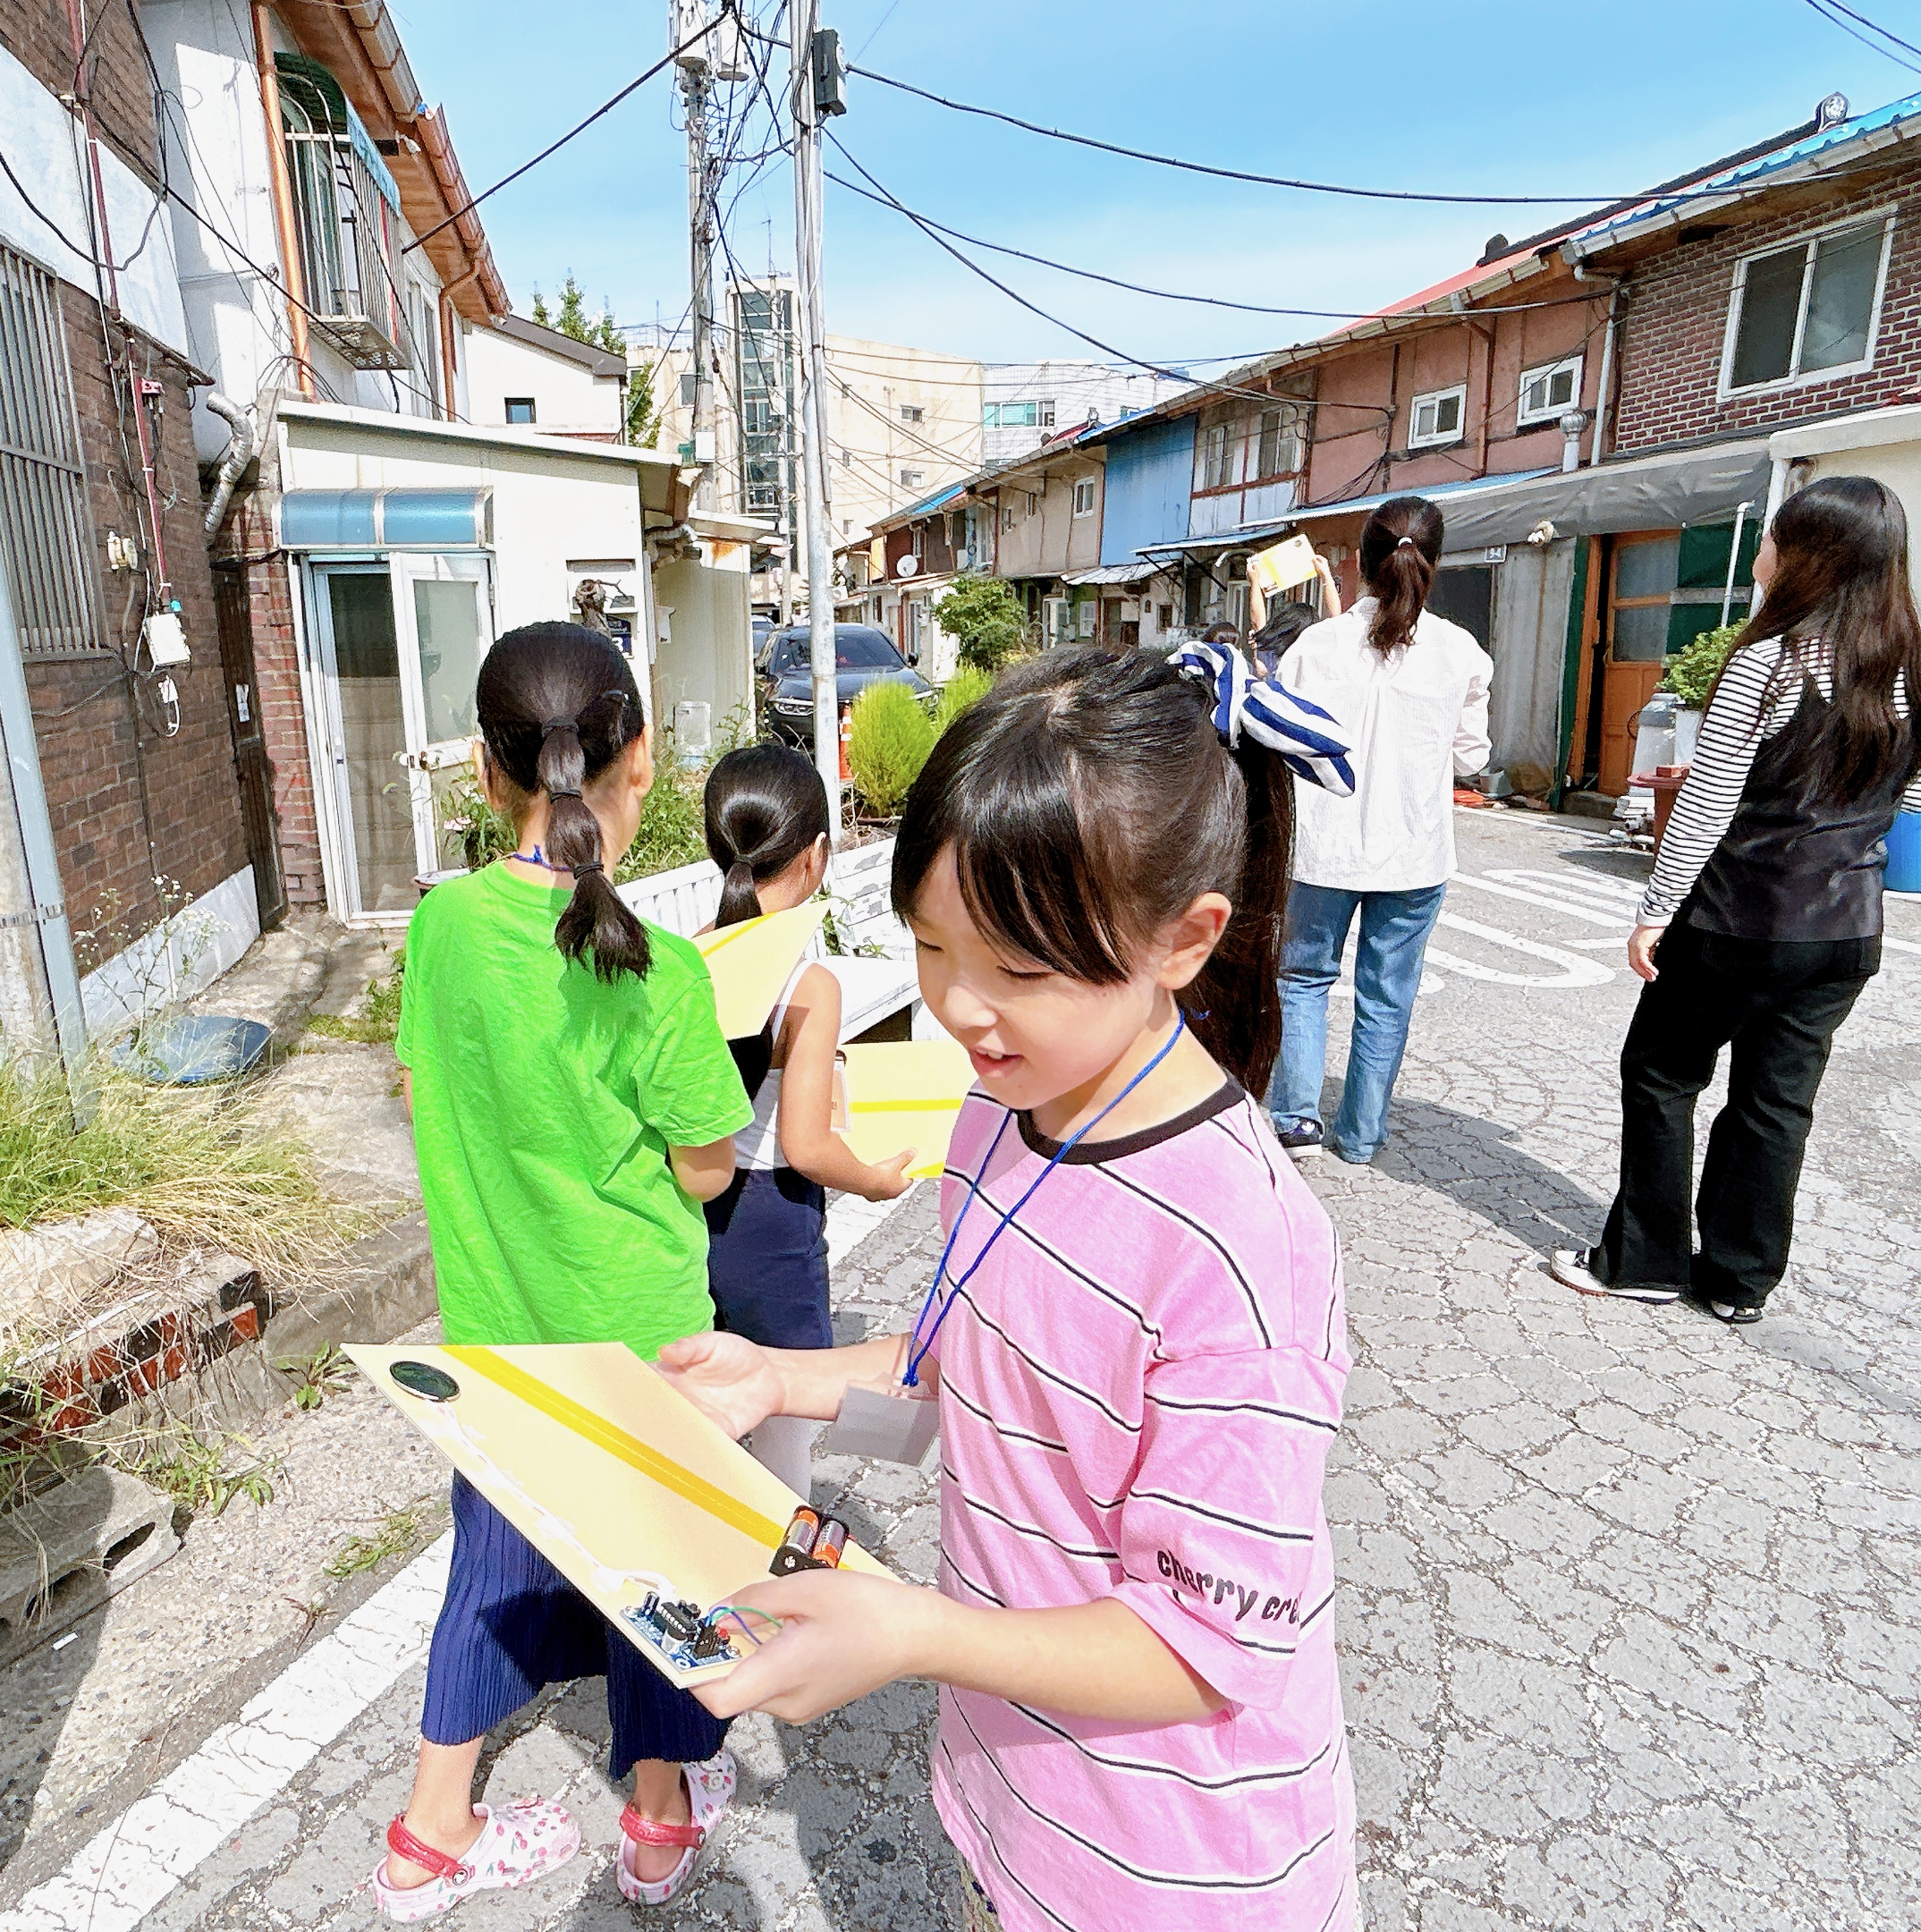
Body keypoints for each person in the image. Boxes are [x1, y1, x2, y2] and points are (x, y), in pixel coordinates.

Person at [660, 644, 1360, 1932]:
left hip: (1179, 1869)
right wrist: (779, 1378)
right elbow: (959, 1368)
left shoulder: (1240, 1250)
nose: (963, 1012)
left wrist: (912, 1632)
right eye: (933, 948)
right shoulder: (1001, 1119)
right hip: (1012, 1807)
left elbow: (1199, 1645)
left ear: (1185, 940)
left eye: (1023, 969)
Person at [378, 623, 751, 1918]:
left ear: (485, 779)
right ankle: (657, 1823)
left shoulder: (439, 931)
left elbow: (426, 1087)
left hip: (495, 1337)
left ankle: (430, 1834)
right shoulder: (666, 972)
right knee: (665, 1576)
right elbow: (707, 1171)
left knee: (488, 1575)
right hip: (643, 1342)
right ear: (638, 763)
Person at [1550, 477, 1921, 1324]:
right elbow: (1916, 801)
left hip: (1739, 920)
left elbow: (1706, 802)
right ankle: (1738, 1279)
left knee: (1660, 1075)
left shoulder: (1769, 660)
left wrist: (1655, 909)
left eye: (1773, 538)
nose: (1762, 552)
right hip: (1846, 929)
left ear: (1809, 558)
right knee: (1775, 1102)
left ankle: (1645, 1261)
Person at [697, 744, 917, 1496]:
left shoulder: (684, 956)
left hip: (692, 1208)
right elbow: (808, 1143)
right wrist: (878, 1182)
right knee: (782, 1407)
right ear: (817, 856)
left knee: (706, 1391)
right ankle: (781, 1569)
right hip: (772, 1217)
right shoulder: (808, 984)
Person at [1265, 496, 1491, 1163]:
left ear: (1359, 565)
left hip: (1322, 852)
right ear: (1435, 564)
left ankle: (1296, 1122)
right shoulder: (1461, 653)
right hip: (1415, 854)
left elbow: (1281, 738)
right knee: (1386, 995)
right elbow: (1472, 758)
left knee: (1303, 979)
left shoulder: (1316, 645)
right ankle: (1361, 1136)